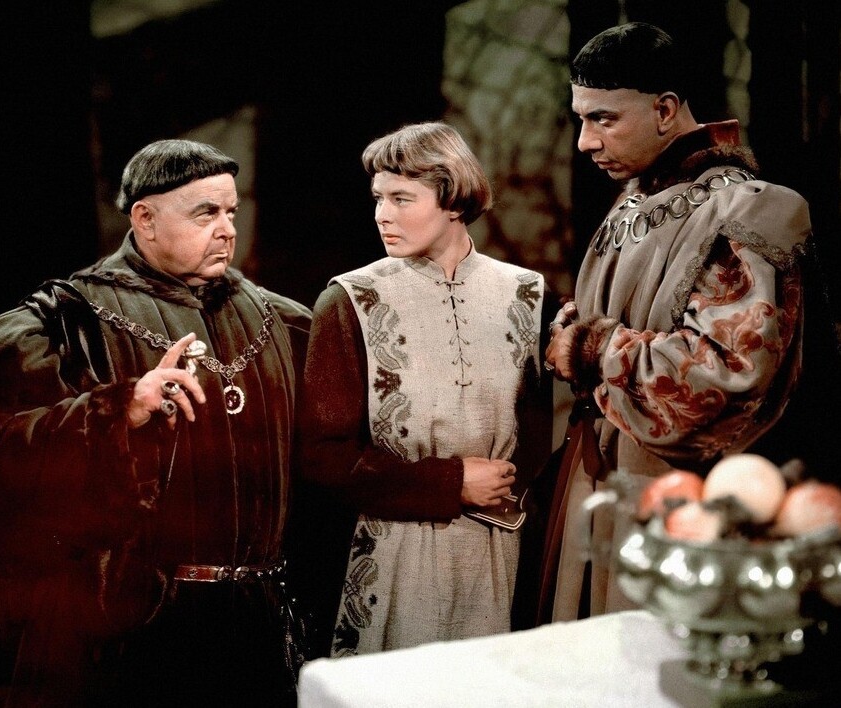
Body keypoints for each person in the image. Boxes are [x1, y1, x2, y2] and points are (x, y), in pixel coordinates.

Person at [0, 139, 311, 706]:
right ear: (144, 219)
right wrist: (116, 409)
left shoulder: (283, 320)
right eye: (205, 213)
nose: (226, 230)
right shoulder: (63, 323)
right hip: (123, 642)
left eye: (230, 211)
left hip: (259, 635)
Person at [537, 22, 827, 624]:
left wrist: (589, 348)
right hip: (601, 482)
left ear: (666, 110)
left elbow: (722, 374)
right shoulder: (631, 201)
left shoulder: (753, 210)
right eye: (581, 119)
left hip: (679, 503)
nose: (586, 142)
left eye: (604, 119)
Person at [293, 121, 553, 658]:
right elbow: (323, 459)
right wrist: (450, 482)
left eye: (401, 198)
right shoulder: (350, 301)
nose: (381, 215)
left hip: (498, 552)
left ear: (453, 200)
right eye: (378, 198)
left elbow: (533, 441)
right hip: (393, 554)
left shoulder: (526, 294)